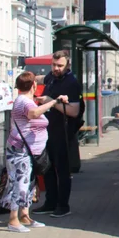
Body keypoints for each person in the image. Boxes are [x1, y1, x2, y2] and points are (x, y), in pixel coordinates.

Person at [2, 71, 59, 232]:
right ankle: (13, 219)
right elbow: (33, 114)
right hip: (21, 151)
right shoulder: (23, 101)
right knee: (20, 183)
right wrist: (52, 103)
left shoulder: (26, 101)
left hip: (30, 152)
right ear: (34, 85)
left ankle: (24, 215)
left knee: (29, 183)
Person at [33, 51, 82, 218]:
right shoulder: (52, 77)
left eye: (60, 66)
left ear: (67, 65)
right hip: (47, 131)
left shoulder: (71, 83)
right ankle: (50, 202)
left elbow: (74, 111)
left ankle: (63, 205)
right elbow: (41, 79)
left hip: (63, 132)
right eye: (53, 65)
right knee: (47, 168)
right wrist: (27, 79)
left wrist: (50, 102)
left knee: (62, 170)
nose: (56, 68)